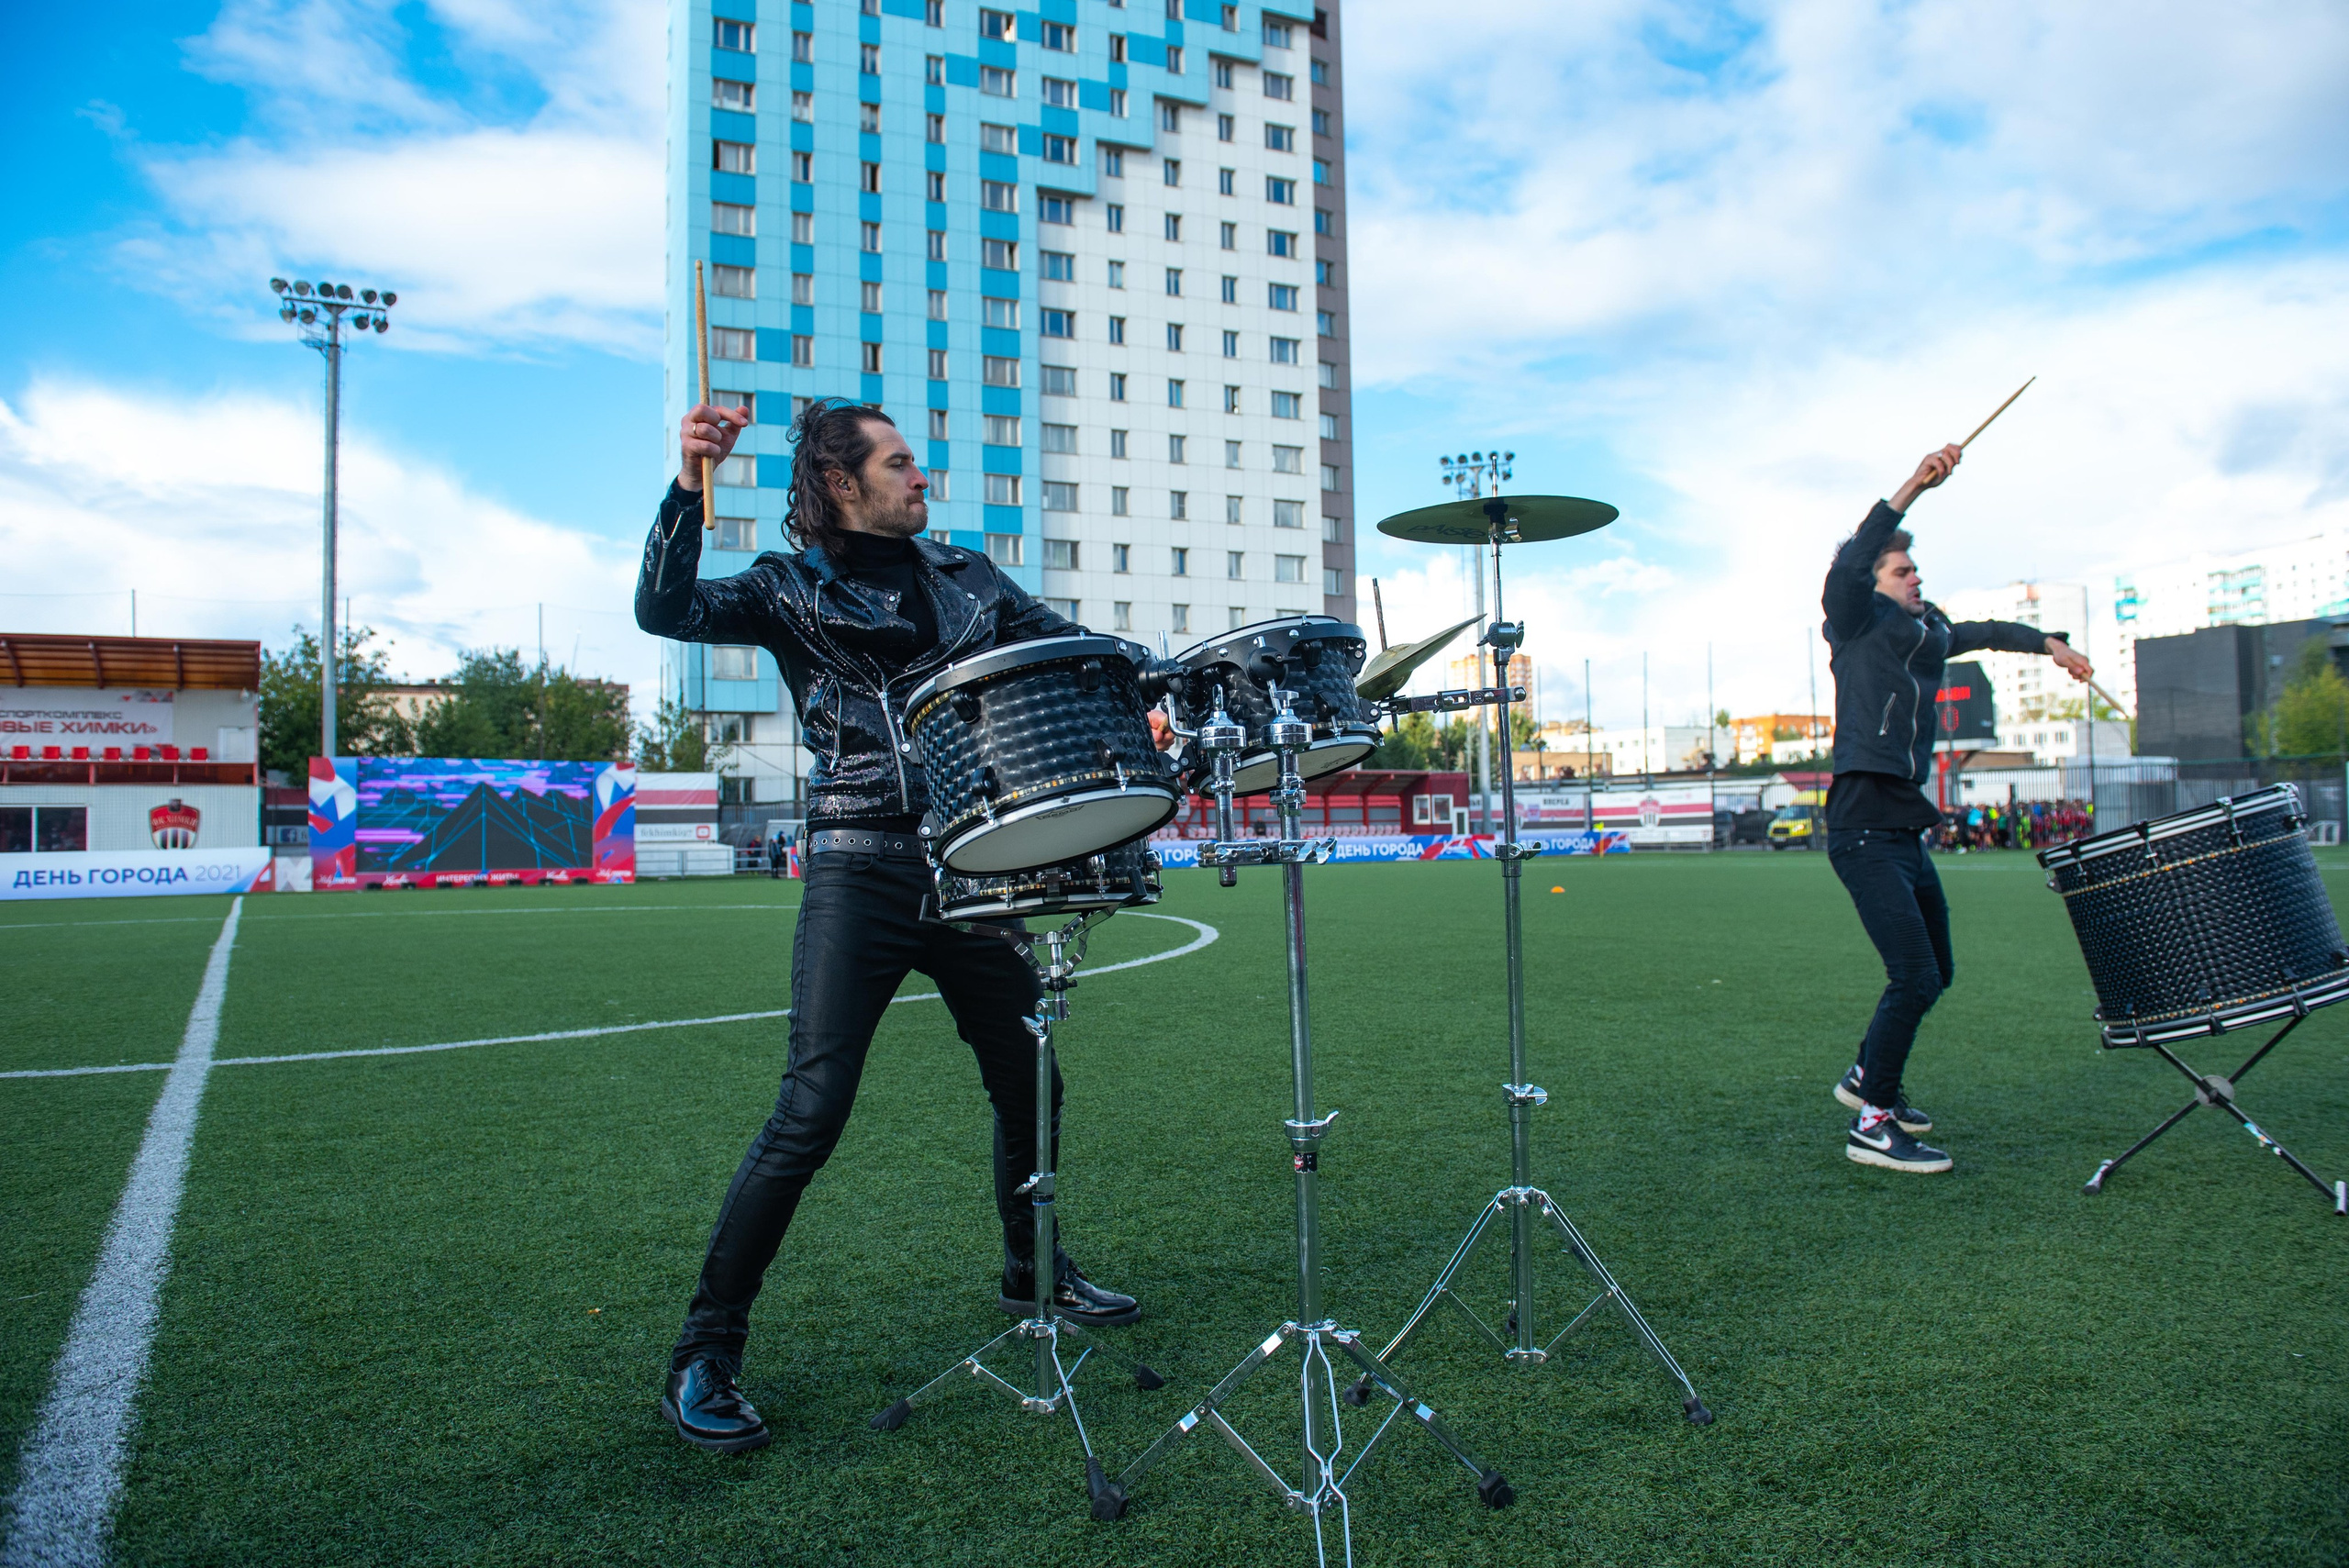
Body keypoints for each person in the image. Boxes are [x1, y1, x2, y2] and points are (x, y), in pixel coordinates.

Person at [635, 395, 1145, 1453]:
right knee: (809, 1112)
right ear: (842, 482)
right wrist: (690, 485)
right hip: (856, 868)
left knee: (1031, 1076)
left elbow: (1076, 648)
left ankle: (1031, 1268)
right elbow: (665, 609)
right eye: (902, 463)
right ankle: (705, 1349)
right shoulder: (785, 586)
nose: (923, 479)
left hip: (972, 869)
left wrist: (1159, 671)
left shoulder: (967, 576)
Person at [1820, 444, 2095, 1173]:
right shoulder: (1855, 619)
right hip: (1860, 825)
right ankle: (1873, 1121)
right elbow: (1848, 566)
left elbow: (1983, 634)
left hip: (1904, 828)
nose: (1915, 577)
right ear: (1876, 581)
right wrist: (1915, 485)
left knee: (1936, 969)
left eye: (1914, 569)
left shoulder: (1925, 630)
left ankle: (1863, 1077)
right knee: (1911, 973)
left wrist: (2050, 646)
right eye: (1901, 569)